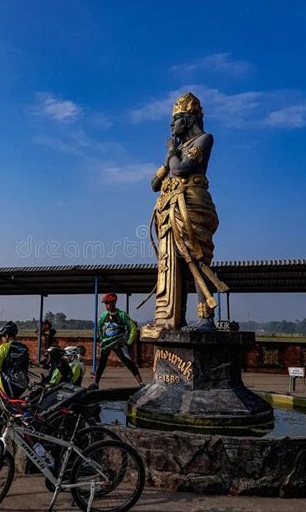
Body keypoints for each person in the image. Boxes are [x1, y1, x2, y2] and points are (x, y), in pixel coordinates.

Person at [145, 92, 228, 334]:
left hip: (191, 203)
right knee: (172, 263)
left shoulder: (204, 139)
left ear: (189, 119)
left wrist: (171, 152)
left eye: (175, 120)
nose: (171, 126)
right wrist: (171, 154)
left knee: (196, 257)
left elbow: (180, 169)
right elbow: (153, 184)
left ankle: (206, 316)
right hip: (169, 208)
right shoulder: (177, 149)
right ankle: (171, 319)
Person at [89, 293, 144, 390]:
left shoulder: (122, 315)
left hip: (118, 342)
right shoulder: (104, 315)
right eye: (105, 304)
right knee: (101, 364)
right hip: (106, 343)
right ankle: (95, 384)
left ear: (114, 303)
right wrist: (102, 339)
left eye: (108, 303)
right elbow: (99, 328)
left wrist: (128, 342)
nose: (106, 306)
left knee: (128, 362)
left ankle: (141, 383)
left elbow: (133, 327)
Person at [0, 321, 30, 398]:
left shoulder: (3, 347)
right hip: (23, 384)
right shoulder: (24, 348)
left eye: (2, 337)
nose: (2, 340)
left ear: (6, 335)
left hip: (7, 384)